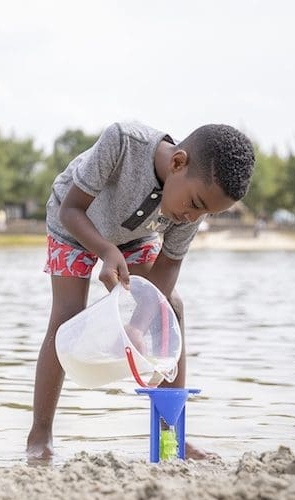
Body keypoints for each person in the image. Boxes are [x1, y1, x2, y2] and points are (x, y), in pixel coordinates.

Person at [26, 121, 255, 460]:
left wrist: (138, 324)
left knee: (172, 307)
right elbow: (70, 210)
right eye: (194, 204)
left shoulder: (191, 209)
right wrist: (105, 251)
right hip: (73, 225)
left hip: (134, 236)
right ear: (178, 163)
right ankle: (39, 437)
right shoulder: (122, 143)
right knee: (66, 317)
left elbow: (168, 268)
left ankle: (171, 438)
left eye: (205, 213)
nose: (193, 218)